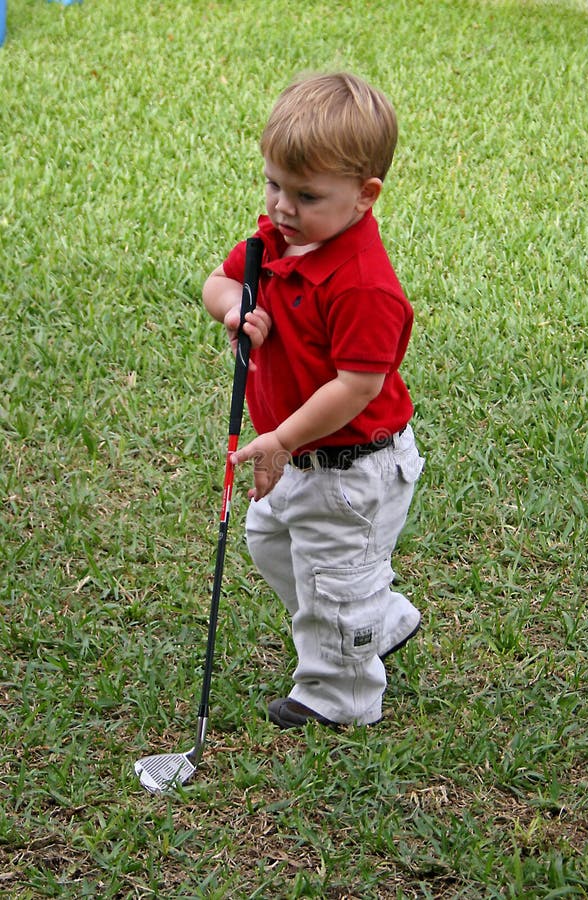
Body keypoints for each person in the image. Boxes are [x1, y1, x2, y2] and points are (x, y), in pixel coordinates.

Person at [202, 71, 424, 729]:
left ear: (364, 195)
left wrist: (281, 439)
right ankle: (378, 618)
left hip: (351, 467)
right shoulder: (275, 240)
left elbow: (357, 387)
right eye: (272, 184)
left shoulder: (362, 286)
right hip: (293, 454)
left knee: (332, 581)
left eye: (305, 194)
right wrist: (233, 314)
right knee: (269, 541)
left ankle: (340, 697)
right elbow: (219, 280)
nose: (280, 206)